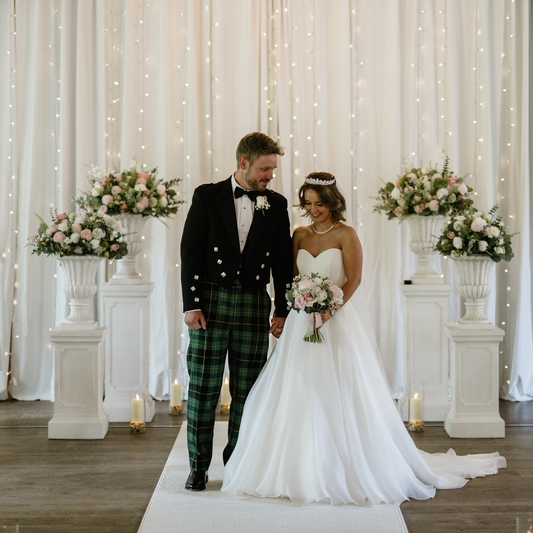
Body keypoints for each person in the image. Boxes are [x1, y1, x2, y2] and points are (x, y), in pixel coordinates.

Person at [221, 171, 506, 505]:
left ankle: (343, 464)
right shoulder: (297, 234)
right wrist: (296, 304)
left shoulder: (346, 234)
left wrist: (329, 308)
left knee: (339, 389)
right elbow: (290, 275)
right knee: (296, 386)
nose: (313, 210)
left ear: (332, 204)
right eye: (308, 204)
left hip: (337, 320)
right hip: (302, 321)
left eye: (319, 204)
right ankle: (295, 463)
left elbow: (354, 279)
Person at [180, 132, 293, 491]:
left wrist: (282, 309)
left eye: (273, 169)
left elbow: (282, 261)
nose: (269, 176)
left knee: (248, 390)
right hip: (210, 303)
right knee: (203, 389)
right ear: (243, 163)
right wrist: (191, 304)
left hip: (253, 302)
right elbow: (190, 252)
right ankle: (198, 466)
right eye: (264, 168)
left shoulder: (276, 204)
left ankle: (237, 462)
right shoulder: (207, 195)